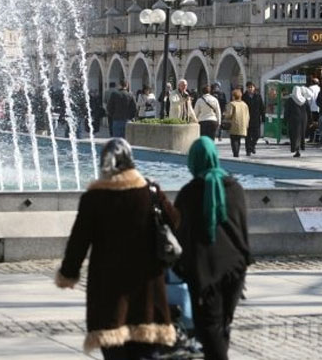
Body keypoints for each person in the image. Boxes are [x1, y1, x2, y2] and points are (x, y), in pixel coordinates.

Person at [55, 138, 179, 358]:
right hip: (147, 289)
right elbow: (175, 221)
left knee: (114, 352)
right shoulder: (150, 193)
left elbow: (78, 242)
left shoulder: (94, 198)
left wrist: (68, 273)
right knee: (146, 351)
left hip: (108, 291)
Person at [173, 137, 252, 360]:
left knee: (208, 328)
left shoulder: (189, 193)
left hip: (205, 272)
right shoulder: (235, 188)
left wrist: (180, 267)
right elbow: (242, 228)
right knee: (222, 324)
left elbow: (179, 235)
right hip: (235, 269)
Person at [285, 86, 311, 158]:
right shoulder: (304, 100)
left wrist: (285, 119)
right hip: (303, 119)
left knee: (294, 135)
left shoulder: (290, 100)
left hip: (293, 119)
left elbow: (286, 111)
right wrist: (310, 120)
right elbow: (308, 111)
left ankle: (296, 149)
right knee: (301, 134)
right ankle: (299, 148)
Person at [223, 89, 249, 158]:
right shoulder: (244, 104)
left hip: (234, 124)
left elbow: (229, 114)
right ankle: (237, 152)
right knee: (238, 139)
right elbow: (247, 116)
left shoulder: (232, 104)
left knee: (234, 139)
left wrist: (225, 115)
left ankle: (235, 153)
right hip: (242, 125)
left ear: (233, 96)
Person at [242, 81, 264, 156]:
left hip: (256, 118)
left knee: (257, 135)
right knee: (247, 136)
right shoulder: (244, 97)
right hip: (247, 118)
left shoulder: (258, 96)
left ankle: (252, 145)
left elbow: (262, 107)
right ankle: (248, 150)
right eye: (249, 87)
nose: (250, 89)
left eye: (252, 87)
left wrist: (263, 117)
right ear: (247, 88)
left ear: (254, 88)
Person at [307, 78, 320, 143]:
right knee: (318, 123)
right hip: (319, 108)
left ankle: (311, 138)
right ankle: (317, 138)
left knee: (311, 123)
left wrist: (307, 107)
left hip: (312, 108)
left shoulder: (310, 88)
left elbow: (309, 99)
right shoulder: (320, 88)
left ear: (312, 82)